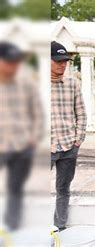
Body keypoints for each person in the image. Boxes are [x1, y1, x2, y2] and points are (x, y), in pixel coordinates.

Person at [0, 42, 43, 230]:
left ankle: (13, 226)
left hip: (22, 145)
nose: (14, 65)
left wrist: (34, 137)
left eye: (16, 61)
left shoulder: (26, 83)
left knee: (15, 189)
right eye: (9, 61)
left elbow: (38, 113)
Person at [50, 41, 87, 231]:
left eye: (64, 61)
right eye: (57, 61)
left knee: (63, 189)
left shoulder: (73, 84)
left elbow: (81, 113)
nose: (62, 65)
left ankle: (60, 227)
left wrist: (77, 141)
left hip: (68, 146)